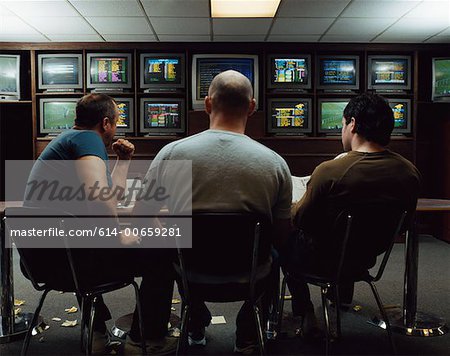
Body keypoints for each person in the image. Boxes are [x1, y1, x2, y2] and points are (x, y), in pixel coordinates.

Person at [134, 70, 293, 354]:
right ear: (252, 107)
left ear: (207, 104)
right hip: (251, 276)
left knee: (167, 250)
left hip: (189, 273)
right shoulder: (276, 164)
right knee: (277, 255)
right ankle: (249, 331)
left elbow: (143, 218)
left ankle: (193, 322)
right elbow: (281, 236)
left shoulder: (171, 154)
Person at [23, 93, 176, 355]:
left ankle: (97, 333)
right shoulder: (87, 139)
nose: (116, 128)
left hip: (42, 260)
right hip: (66, 260)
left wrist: (123, 161)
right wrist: (118, 235)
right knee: (163, 251)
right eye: (116, 122)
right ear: (105, 123)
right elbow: (99, 199)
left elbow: (108, 198)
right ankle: (144, 340)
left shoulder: (68, 141)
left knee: (85, 242)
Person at [285, 93, 421, 337]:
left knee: (282, 242)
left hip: (322, 260)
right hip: (366, 260)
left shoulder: (330, 171)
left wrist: (296, 202)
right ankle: (339, 300)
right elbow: (404, 223)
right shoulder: (409, 172)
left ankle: (304, 312)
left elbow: (301, 220)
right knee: (342, 238)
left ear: (353, 124)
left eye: (343, 123)